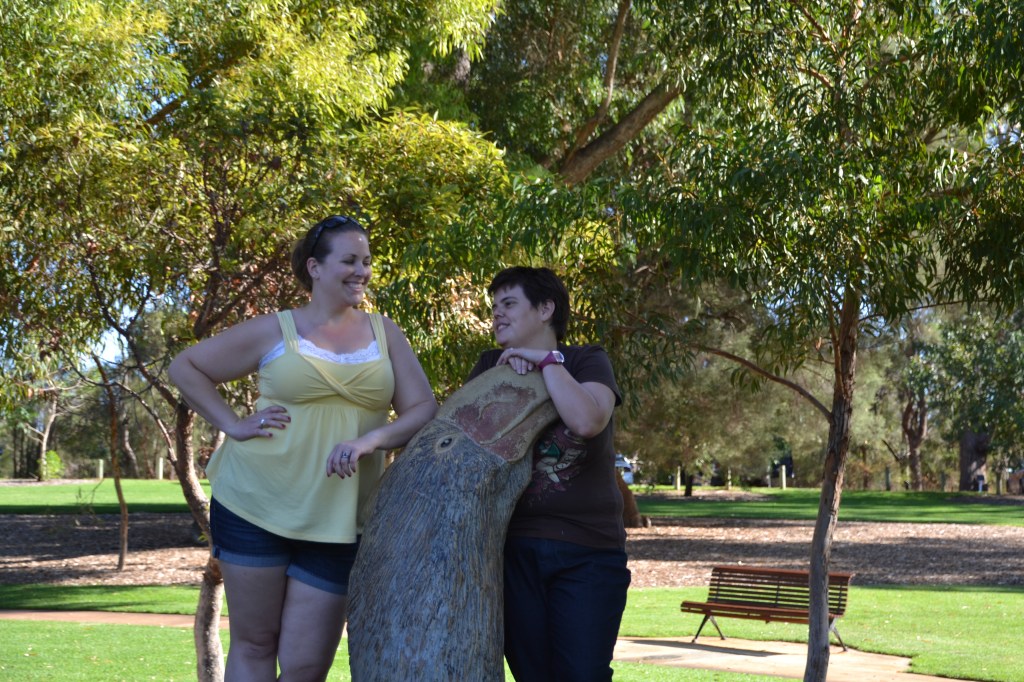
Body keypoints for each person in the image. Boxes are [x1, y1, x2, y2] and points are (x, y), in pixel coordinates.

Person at [169, 215, 437, 682]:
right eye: (349, 260)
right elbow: (186, 367)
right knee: (254, 644)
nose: (362, 271)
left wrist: (370, 440)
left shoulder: (384, 332)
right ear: (315, 267)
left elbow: (422, 409)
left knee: (307, 665)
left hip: (339, 517)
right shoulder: (276, 330)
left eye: (367, 261)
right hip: (256, 505)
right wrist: (233, 424)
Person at [465, 266, 630, 682]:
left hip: (587, 552)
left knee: (582, 675)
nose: (497, 315)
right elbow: (461, 446)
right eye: (494, 307)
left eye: (508, 304)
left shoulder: (585, 359)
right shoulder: (488, 365)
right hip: (511, 551)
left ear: (545, 309)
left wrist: (548, 363)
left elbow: (587, 421)